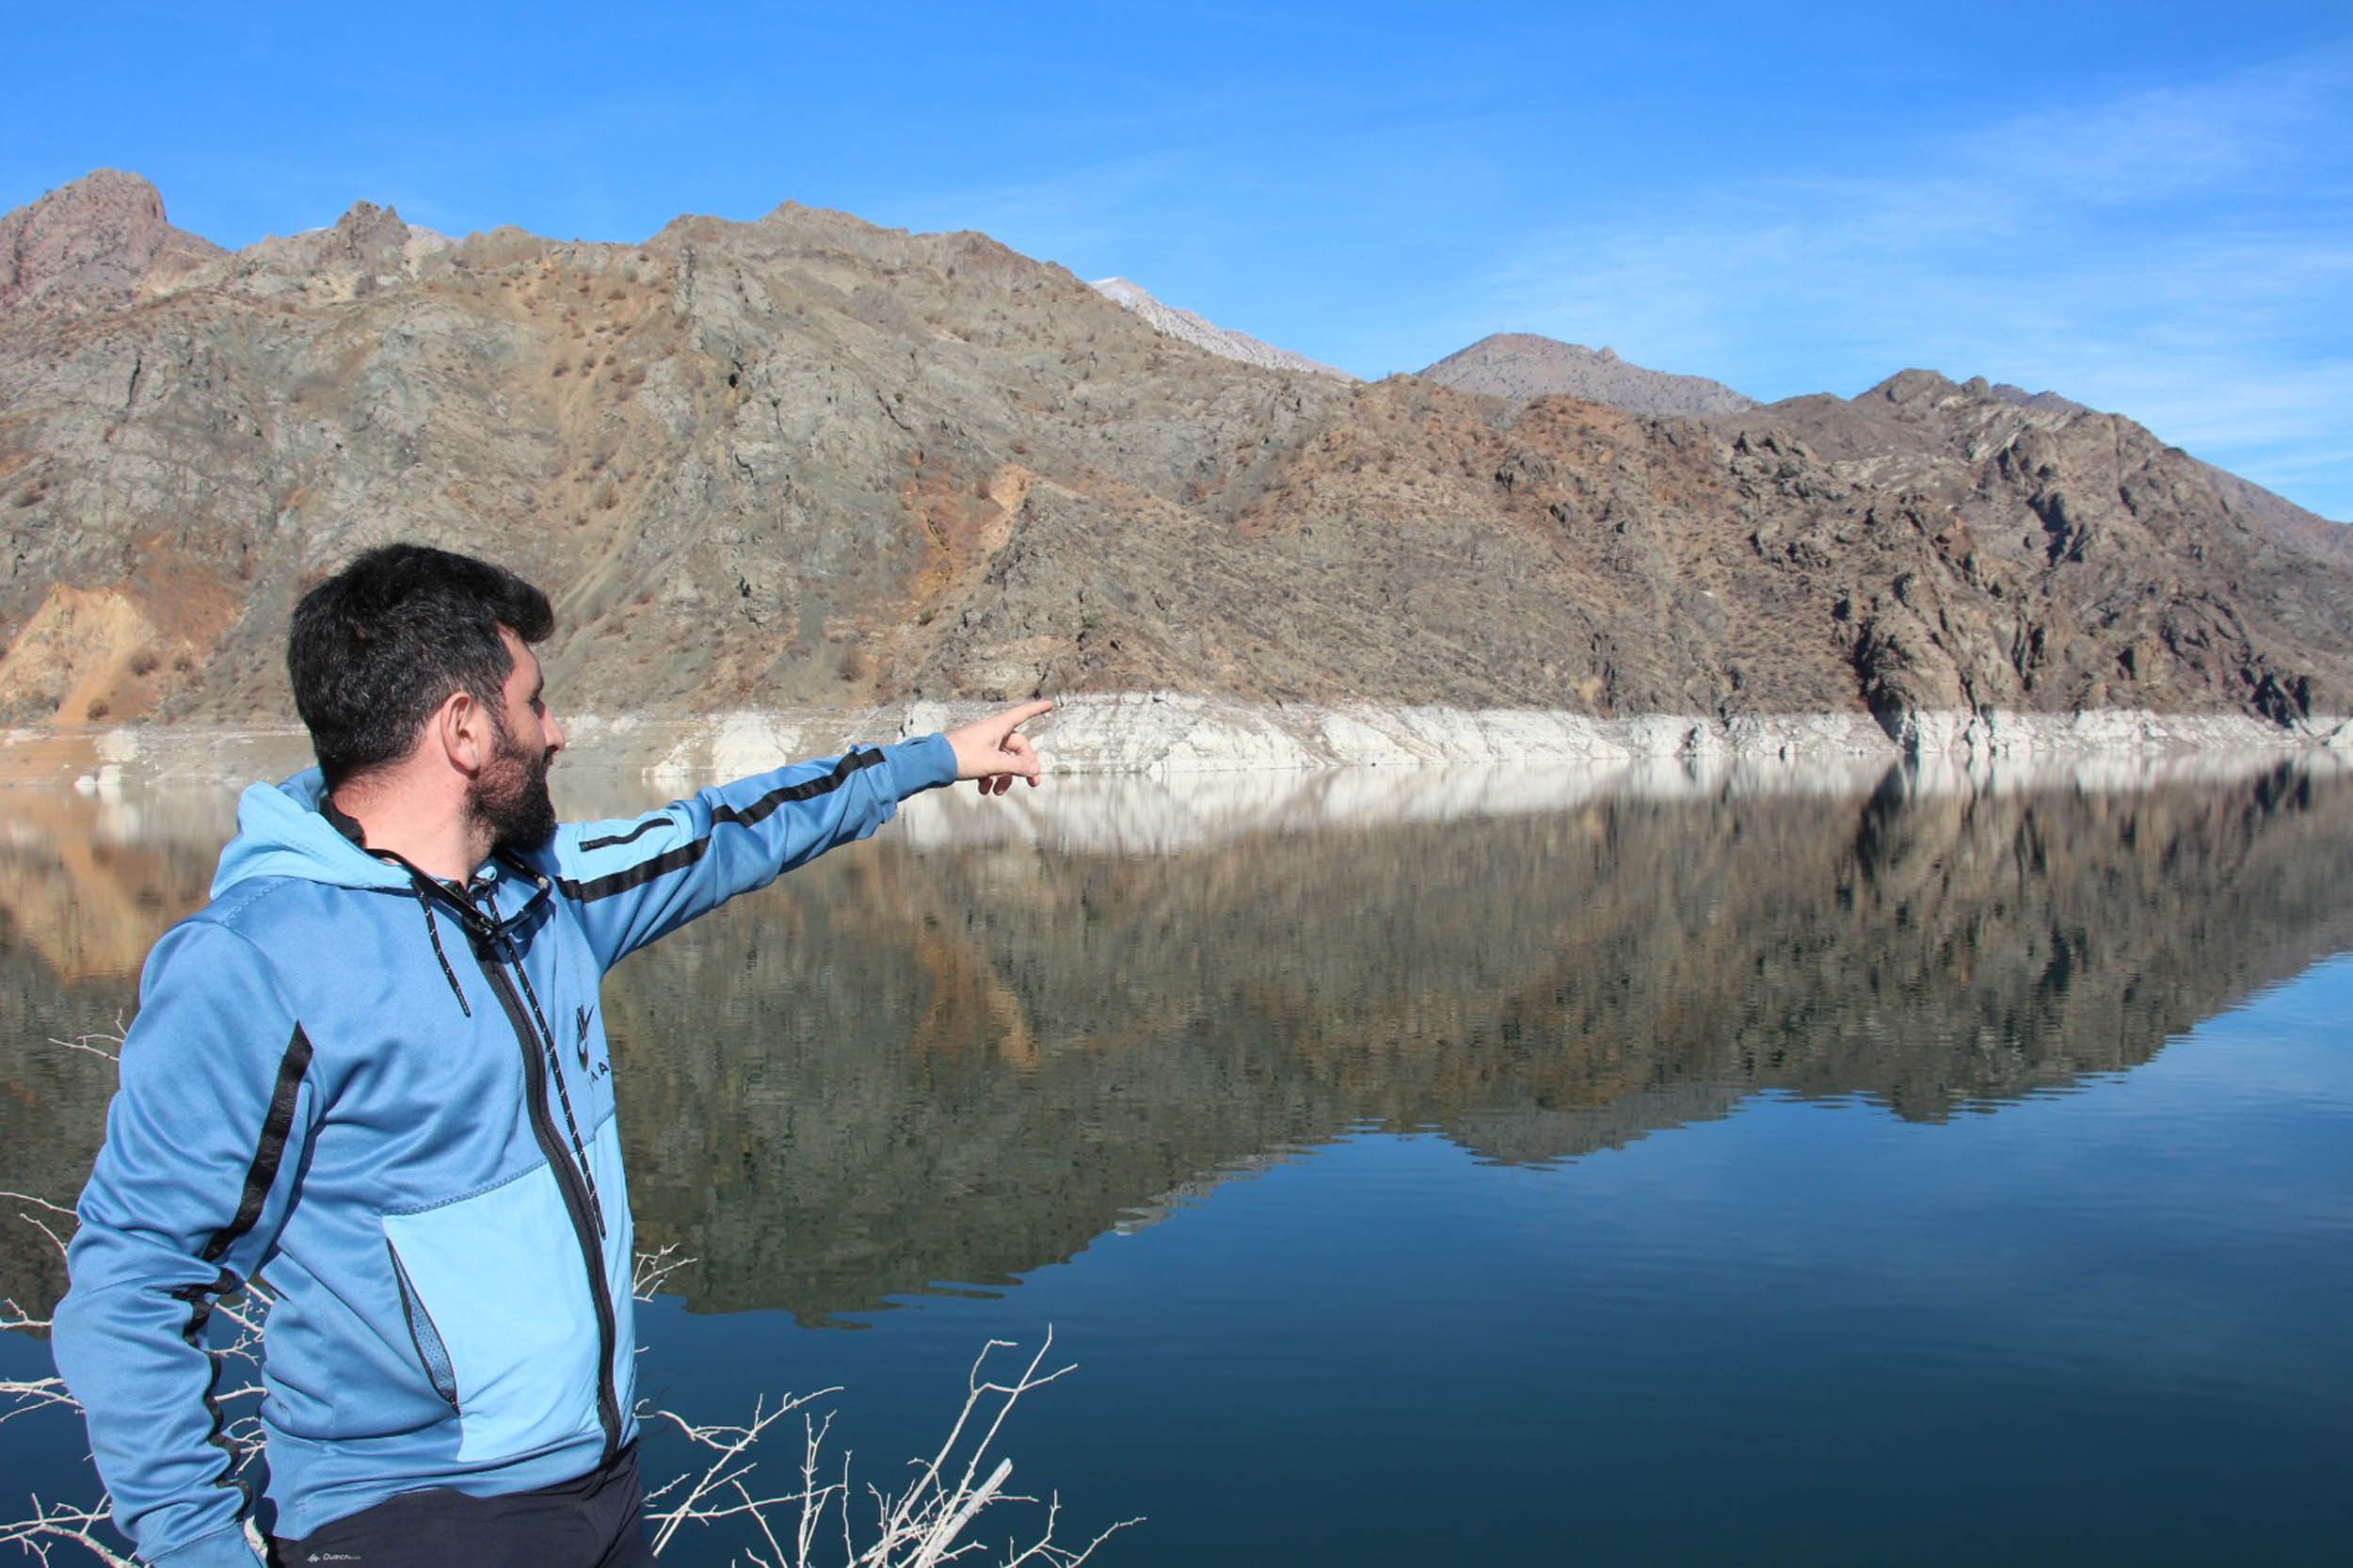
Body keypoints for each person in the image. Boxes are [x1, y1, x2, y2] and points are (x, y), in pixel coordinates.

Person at [52, 544, 1051, 1568]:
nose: (557, 730)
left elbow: (719, 834)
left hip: (600, 1485)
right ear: (463, 728)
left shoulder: (543, 895)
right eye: (535, 702)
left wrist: (932, 759)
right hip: (406, 1516)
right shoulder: (259, 961)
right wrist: (199, 1549)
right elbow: (133, 1281)